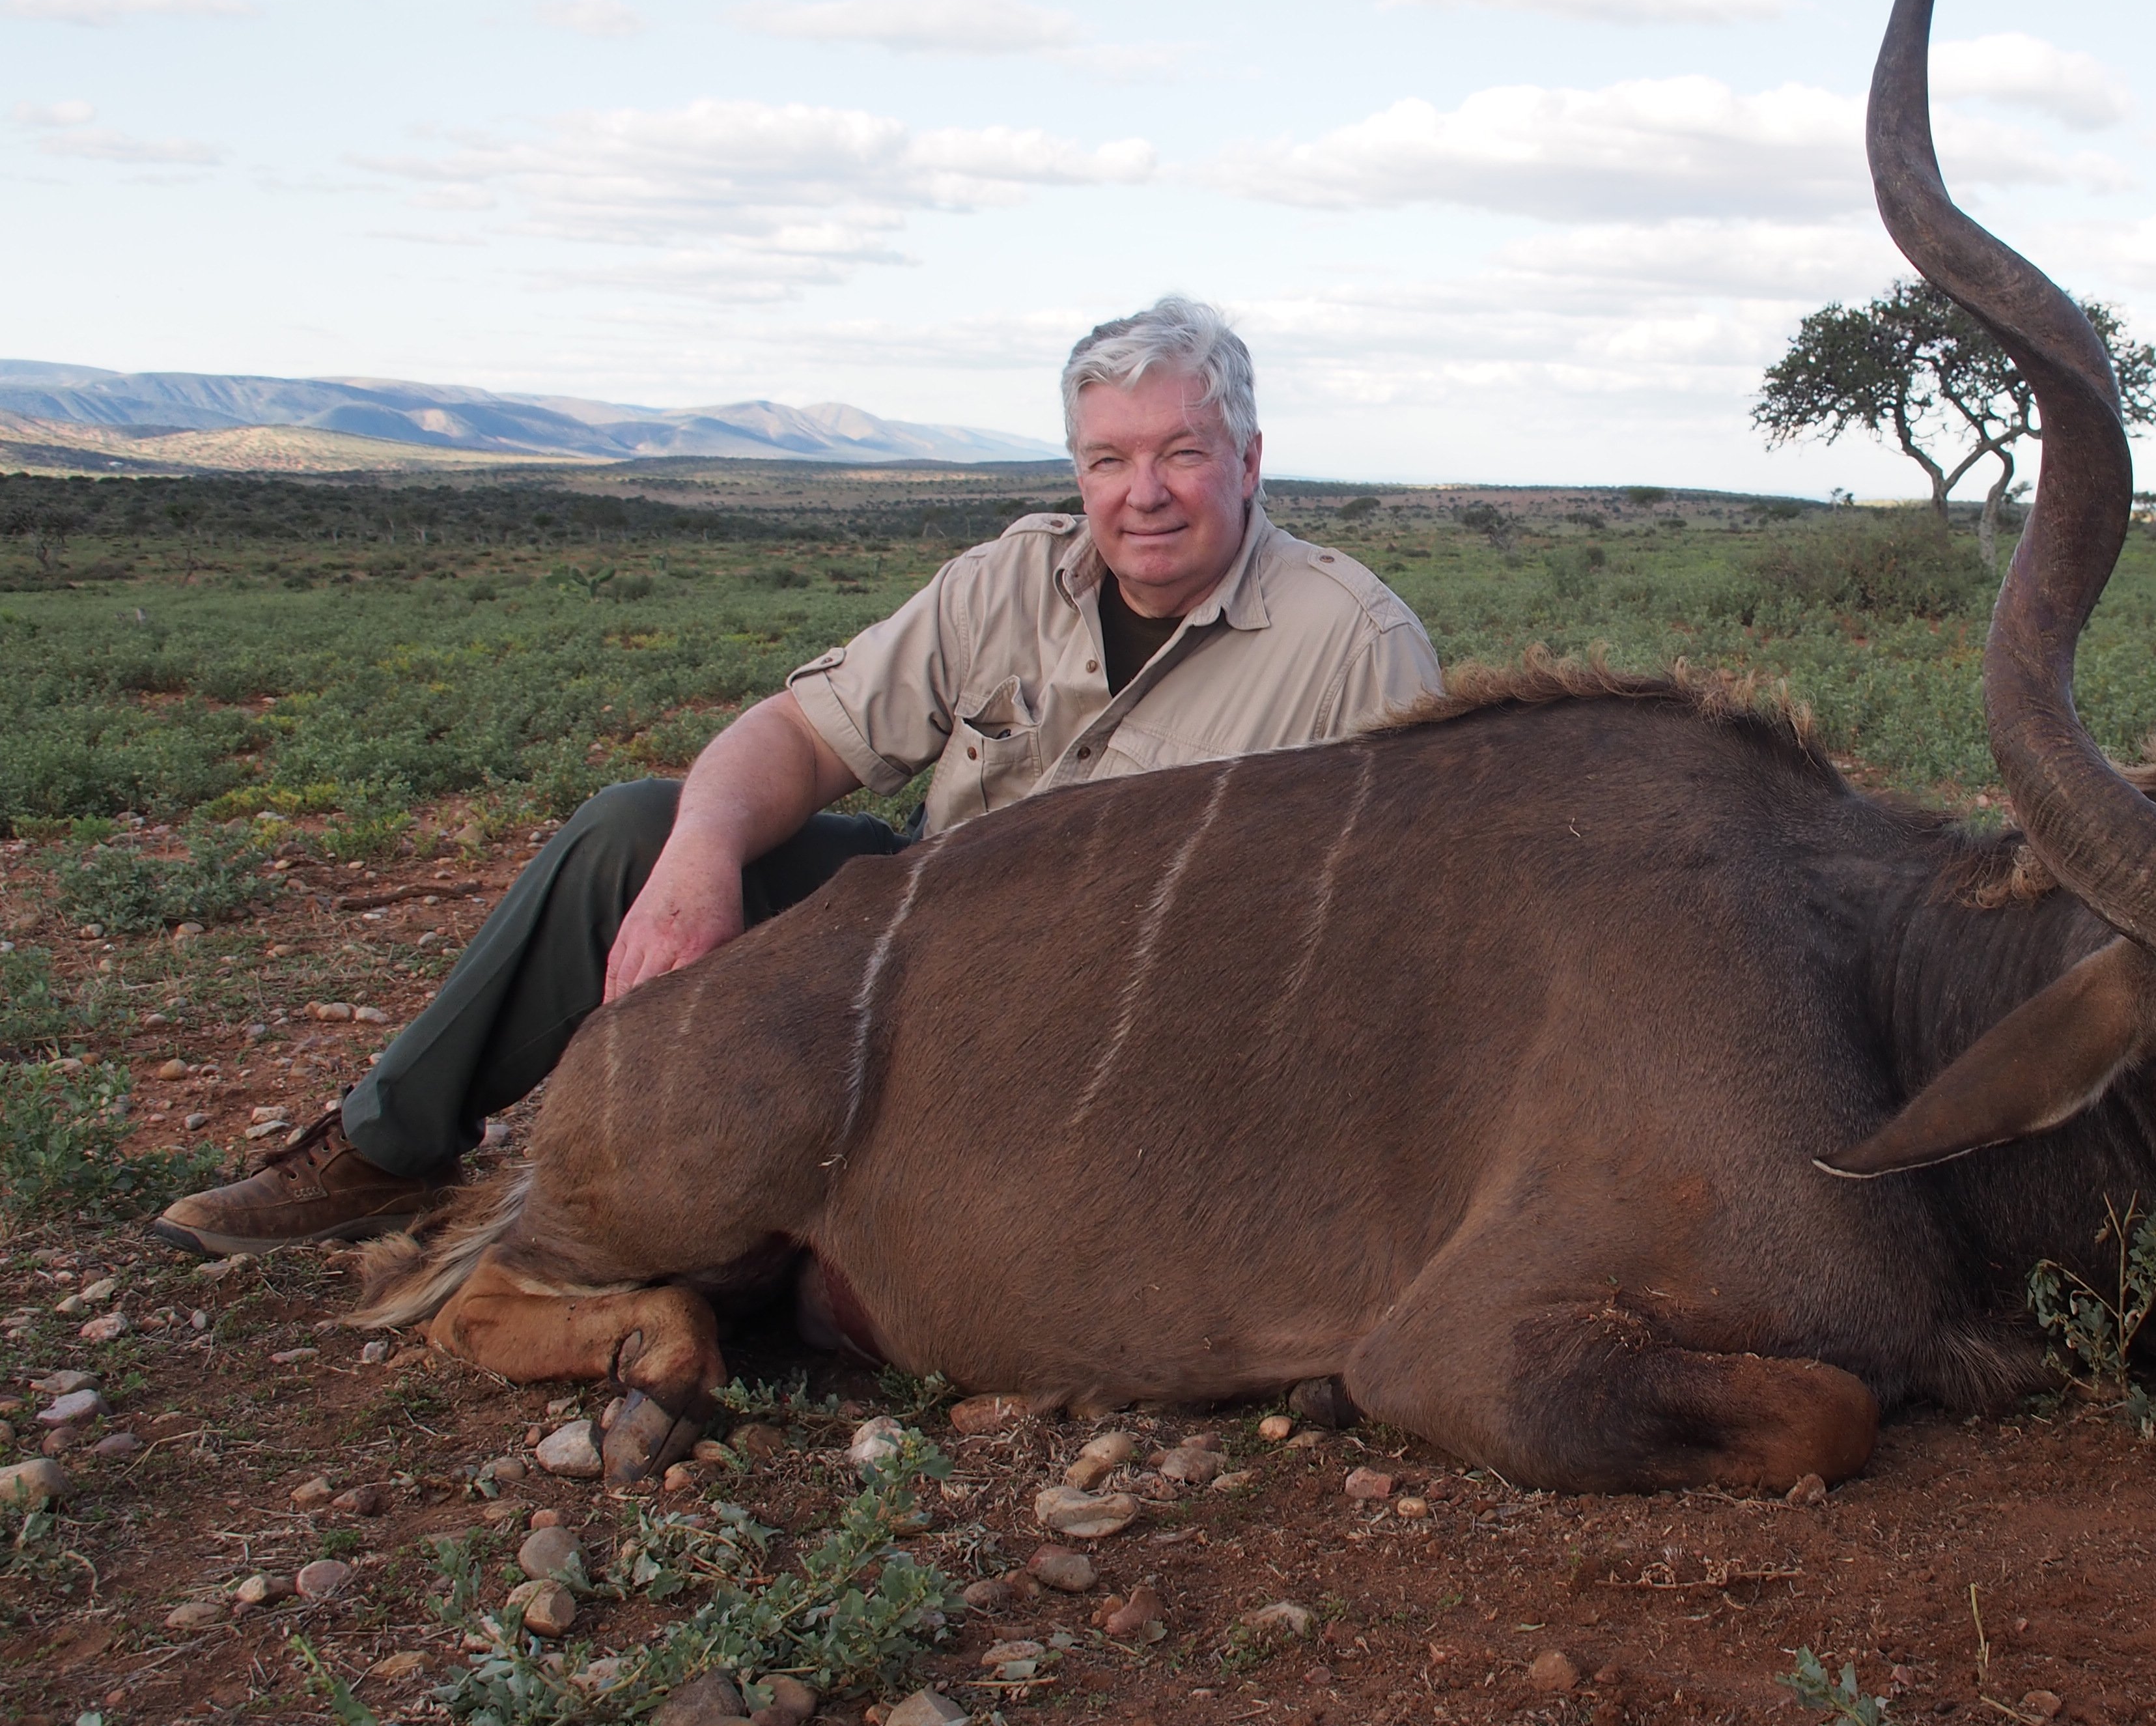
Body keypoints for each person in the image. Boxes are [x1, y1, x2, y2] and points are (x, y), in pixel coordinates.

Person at [152, 298, 1440, 1255]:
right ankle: (384, 1147)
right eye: (1109, 460)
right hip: (920, 943)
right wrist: (700, 861)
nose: (1142, 495)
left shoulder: (1356, 641)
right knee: (631, 830)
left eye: (1182, 454)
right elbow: (799, 736)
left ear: (1253, 460)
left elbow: (1393, 954)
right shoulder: (1007, 578)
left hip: (1126, 1030)